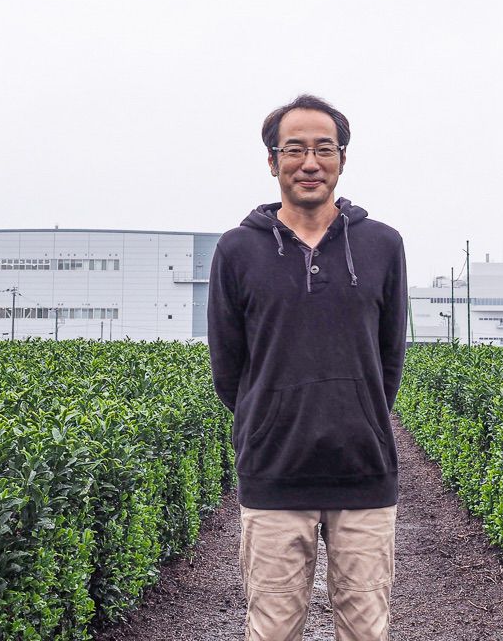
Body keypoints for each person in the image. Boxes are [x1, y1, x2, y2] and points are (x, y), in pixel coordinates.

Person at [208, 94, 408, 641]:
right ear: (273, 162)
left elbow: (389, 359)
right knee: (272, 630)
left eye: (324, 149)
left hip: (363, 473)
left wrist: (357, 414)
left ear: (342, 159)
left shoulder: (383, 246)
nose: (310, 162)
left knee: (366, 630)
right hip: (274, 473)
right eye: (294, 149)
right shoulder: (236, 251)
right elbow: (228, 370)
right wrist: (271, 416)